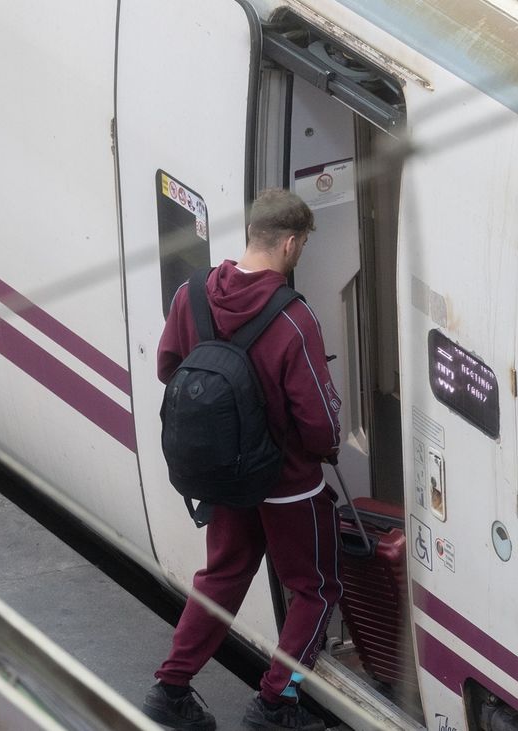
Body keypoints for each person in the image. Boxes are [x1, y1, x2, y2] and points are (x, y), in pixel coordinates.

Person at [142, 189, 344, 731]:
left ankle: (170, 689)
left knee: (223, 575)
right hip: (288, 484)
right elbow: (319, 421)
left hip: (225, 475)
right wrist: (327, 445)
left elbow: (168, 368)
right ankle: (278, 702)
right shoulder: (294, 318)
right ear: (291, 243)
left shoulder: (191, 295)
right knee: (316, 589)